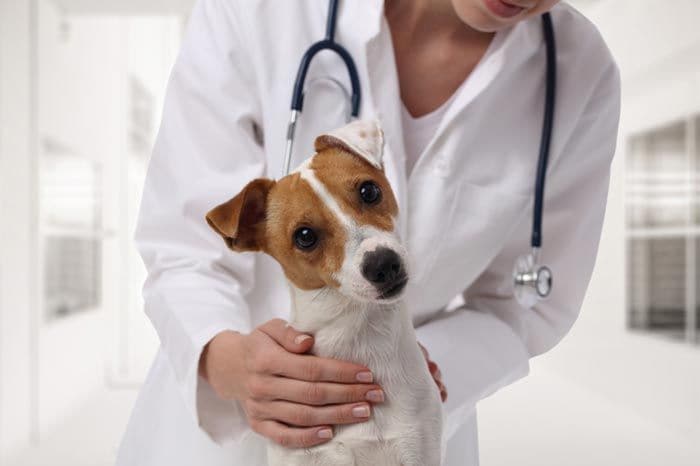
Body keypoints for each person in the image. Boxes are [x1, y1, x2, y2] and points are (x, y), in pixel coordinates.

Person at [116, 0, 620, 464]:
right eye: (309, 236)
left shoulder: (580, 72)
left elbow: (531, 300)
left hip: (411, 421)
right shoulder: (262, 10)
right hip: (222, 424)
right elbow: (183, 245)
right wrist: (231, 363)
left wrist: (415, 371)